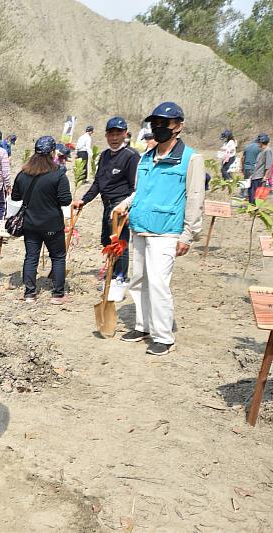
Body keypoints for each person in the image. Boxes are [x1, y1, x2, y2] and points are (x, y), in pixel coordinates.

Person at [115, 102, 205, 356]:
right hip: (141, 227)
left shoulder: (191, 159)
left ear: (178, 126)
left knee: (158, 284)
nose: (159, 127)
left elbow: (196, 198)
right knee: (139, 280)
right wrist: (126, 204)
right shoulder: (146, 157)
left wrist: (188, 234)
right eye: (155, 123)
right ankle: (143, 325)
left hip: (166, 231)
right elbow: (140, 191)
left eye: (164, 123)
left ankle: (164, 336)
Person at [72, 117, 140, 282]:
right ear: (106, 135)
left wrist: (126, 207)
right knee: (106, 239)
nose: (114, 138)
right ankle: (112, 269)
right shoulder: (104, 156)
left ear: (125, 134)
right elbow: (98, 183)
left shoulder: (131, 156)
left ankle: (119, 276)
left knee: (119, 241)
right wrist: (84, 200)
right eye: (111, 134)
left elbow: (135, 188)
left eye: (118, 134)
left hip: (120, 205)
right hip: (106, 204)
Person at [12, 136, 72, 304]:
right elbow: (65, 200)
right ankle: (58, 295)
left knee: (31, 257)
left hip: (30, 224)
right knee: (58, 257)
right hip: (52, 223)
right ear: (52, 153)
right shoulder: (58, 175)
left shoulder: (23, 173)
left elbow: (15, 197)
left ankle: (30, 293)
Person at [250, 134, 272, 203]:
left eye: (258, 142)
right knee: (252, 194)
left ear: (262, 142)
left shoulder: (268, 150)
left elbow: (268, 165)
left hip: (260, 177)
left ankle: (256, 210)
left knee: (258, 195)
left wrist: (265, 177)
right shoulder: (262, 151)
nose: (257, 144)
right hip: (256, 176)